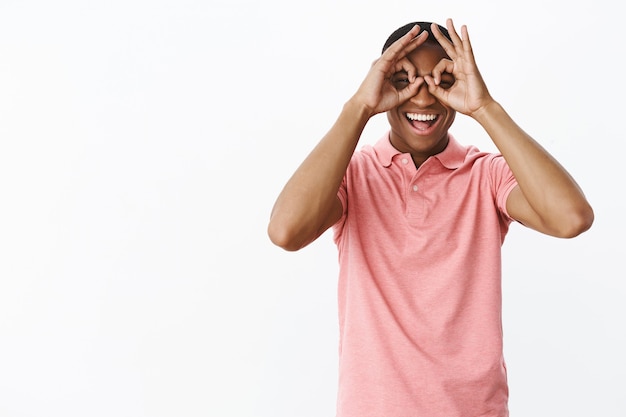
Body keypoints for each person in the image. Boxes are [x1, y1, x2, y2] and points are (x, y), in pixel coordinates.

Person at [267, 18, 594, 417]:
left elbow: (571, 218)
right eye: (404, 79)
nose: (423, 99)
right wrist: (359, 107)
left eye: (440, 80)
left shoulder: (485, 175)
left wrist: (484, 107)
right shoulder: (352, 174)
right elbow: (286, 231)